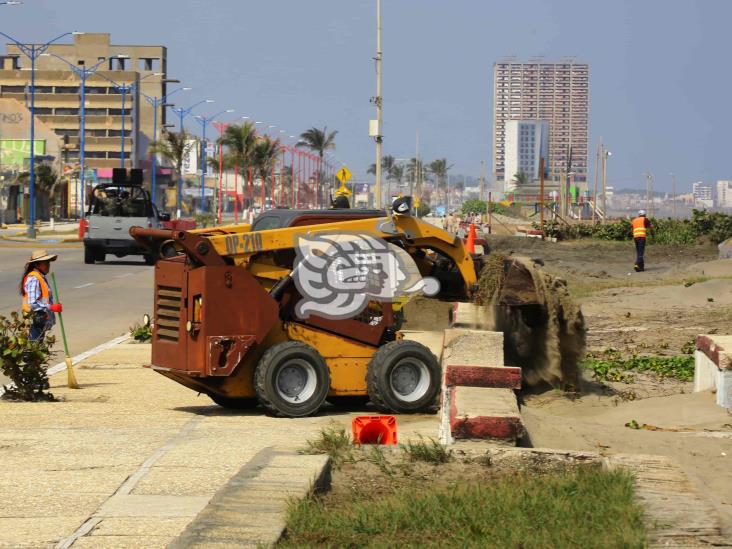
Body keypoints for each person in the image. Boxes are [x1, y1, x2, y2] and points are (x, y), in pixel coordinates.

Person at [20, 250, 62, 341]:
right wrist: (51, 307)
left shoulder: (40, 277)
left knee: (37, 348)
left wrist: (52, 306)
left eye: (48, 262)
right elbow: (33, 303)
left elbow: (42, 299)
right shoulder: (34, 278)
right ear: (37, 265)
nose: (48, 265)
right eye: (45, 263)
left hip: (40, 320)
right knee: (33, 349)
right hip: (34, 320)